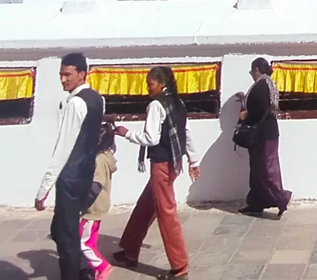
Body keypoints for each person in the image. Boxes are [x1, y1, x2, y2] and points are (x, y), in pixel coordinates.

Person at [113, 66, 201, 278]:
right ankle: (130, 250)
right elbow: (185, 132)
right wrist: (193, 160)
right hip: (174, 162)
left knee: (166, 213)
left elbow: (151, 138)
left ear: (161, 84)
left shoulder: (156, 105)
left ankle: (180, 267)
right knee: (146, 205)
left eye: (150, 84)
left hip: (161, 164)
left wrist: (126, 133)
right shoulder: (177, 103)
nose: (148, 89)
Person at [35, 52, 107, 280]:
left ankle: (75, 274)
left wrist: (43, 189)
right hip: (86, 173)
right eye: (61, 75)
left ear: (82, 74)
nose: (63, 79)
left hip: (70, 177)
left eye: (68, 74)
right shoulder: (98, 98)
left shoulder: (76, 103)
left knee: (66, 238)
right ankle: (83, 268)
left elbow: (63, 148)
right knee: (60, 230)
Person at [235, 58, 292, 216]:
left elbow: (260, 107)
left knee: (266, 169)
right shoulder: (267, 84)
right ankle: (256, 202)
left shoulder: (261, 85)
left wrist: (246, 114)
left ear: (257, 70)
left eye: (252, 71)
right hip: (265, 133)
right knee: (257, 170)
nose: (252, 75)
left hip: (263, 133)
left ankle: (281, 198)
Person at [80, 124, 118, 280]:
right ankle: (96, 272)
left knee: (82, 243)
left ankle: (102, 266)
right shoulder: (108, 156)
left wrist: (82, 205)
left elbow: (96, 186)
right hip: (100, 205)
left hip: (92, 207)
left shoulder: (98, 160)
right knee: (91, 240)